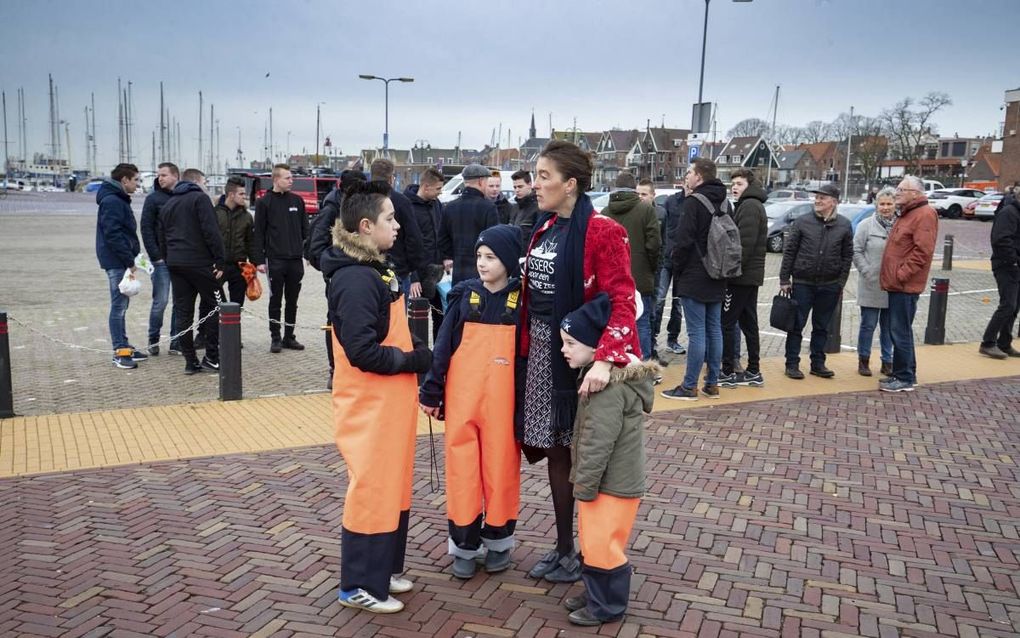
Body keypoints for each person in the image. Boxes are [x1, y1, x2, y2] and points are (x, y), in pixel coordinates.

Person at [517, 140, 639, 584]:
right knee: (554, 448)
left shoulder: (603, 230)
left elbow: (623, 299)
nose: (536, 184)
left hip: (579, 358)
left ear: (570, 184)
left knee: (583, 454)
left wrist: (606, 359)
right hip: (542, 354)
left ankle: (592, 553)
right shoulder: (545, 226)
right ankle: (564, 547)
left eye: (544, 176)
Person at [320, 179, 432, 614]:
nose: (398, 225)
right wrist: (413, 359)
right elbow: (362, 351)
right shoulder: (354, 279)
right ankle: (359, 584)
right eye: (390, 218)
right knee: (371, 489)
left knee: (393, 488)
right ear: (366, 227)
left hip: (390, 404)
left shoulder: (375, 270)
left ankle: (382, 570)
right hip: (369, 406)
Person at [420, 225, 522, 579]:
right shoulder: (464, 297)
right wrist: (431, 391)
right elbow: (443, 348)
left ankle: (498, 542)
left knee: (501, 472)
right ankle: (464, 545)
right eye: (479, 256)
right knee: (462, 474)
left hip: (504, 407)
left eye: (490, 257)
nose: (481, 263)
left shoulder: (523, 301)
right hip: (462, 403)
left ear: (509, 261)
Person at [559, 293, 655, 627]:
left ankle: (608, 605)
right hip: (607, 480)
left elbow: (599, 441)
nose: (564, 349)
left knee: (604, 544)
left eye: (571, 343)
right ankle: (595, 592)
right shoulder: (602, 378)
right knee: (594, 540)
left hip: (611, 483)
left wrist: (584, 484)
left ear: (596, 346)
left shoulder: (608, 388)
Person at [661, 158, 728, 401]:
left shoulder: (694, 202)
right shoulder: (724, 201)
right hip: (718, 273)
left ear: (699, 176)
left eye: (689, 172)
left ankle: (689, 386)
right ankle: (712, 383)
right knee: (714, 329)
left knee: (697, 332)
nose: (686, 176)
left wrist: (676, 266)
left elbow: (683, 241)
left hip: (695, 274)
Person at [778, 183, 853, 380]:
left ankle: (817, 364)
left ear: (834, 202)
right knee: (796, 325)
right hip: (803, 283)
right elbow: (789, 252)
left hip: (829, 284)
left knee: (822, 327)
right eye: (817, 197)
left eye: (823, 198)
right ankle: (792, 363)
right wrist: (784, 279)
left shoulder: (844, 225)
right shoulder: (802, 222)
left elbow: (847, 256)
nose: (818, 201)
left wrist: (841, 282)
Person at [157, 169, 225, 374]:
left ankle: (190, 360)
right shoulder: (200, 199)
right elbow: (211, 230)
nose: (206, 184)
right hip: (199, 263)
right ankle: (212, 357)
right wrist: (220, 260)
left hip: (176, 264)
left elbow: (161, 236)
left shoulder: (168, 204)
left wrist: (169, 258)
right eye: (205, 181)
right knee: (219, 306)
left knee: (183, 312)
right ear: (196, 181)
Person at [879, 176, 938, 391]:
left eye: (902, 189)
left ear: (915, 192)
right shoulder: (909, 213)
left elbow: (923, 251)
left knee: (899, 331)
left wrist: (902, 274)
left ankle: (904, 377)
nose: (897, 192)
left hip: (904, 285)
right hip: (898, 284)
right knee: (901, 330)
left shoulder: (924, 215)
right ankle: (905, 373)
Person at [307, 170, 366, 388]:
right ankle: (335, 369)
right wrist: (333, 268)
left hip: (360, 272)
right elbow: (316, 246)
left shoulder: (356, 207)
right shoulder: (332, 209)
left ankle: (353, 367)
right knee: (336, 321)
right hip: (339, 275)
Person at [603, 172, 660, 361]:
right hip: (640, 274)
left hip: (611, 277)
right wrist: (651, 268)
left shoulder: (605, 213)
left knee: (615, 322)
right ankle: (644, 366)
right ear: (634, 188)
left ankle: (618, 360)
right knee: (642, 322)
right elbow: (654, 244)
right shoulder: (646, 209)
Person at [95, 163, 147, 369]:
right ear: (124, 180)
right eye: (135, 180)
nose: (137, 184)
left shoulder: (116, 199)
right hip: (116, 261)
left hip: (120, 259)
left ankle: (124, 345)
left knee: (122, 304)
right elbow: (113, 234)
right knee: (118, 306)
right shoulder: (113, 201)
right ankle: (120, 351)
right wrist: (128, 260)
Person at [253, 163, 309, 353]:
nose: (291, 181)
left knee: (292, 300)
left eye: (292, 177)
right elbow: (258, 233)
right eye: (288, 178)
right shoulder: (264, 203)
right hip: (275, 259)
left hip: (295, 260)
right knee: (275, 300)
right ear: (276, 179)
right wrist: (259, 260)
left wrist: (307, 254)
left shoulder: (297, 201)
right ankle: (275, 337)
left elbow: (305, 231)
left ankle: (289, 336)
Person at [719, 169, 767, 387]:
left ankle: (728, 370)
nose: (734, 187)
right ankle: (754, 370)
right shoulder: (752, 204)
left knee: (727, 322)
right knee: (749, 322)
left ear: (750, 184)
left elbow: (743, 245)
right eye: (733, 184)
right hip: (749, 276)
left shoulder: (749, 206)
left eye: (739, 183)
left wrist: (730, 272)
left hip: (741, 277)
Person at [853, 186, 896, 376]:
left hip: (893, 285)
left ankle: (888, 361)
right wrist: (866, 270)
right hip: (871, 284)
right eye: (882, 204)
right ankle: (863, 360)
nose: (885, 207)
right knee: (868, 324)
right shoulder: (865, 225)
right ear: (876, 204)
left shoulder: (901, 226)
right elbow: (856, 250)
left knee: (888, 327)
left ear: (895, 205)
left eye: (889, 203)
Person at [139, 162, 180, 355]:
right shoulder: (153, 199)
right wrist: (156, 256)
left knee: (180, 302)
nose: (160, 178)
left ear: (175, 176)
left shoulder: (182, 197)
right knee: (161, 301)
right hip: (161, 260)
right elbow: (146, 228)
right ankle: (153, 339)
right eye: (159, 175)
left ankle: (176, 341)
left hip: (181, 258)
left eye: (164, 175)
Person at [370, 158, 425, 298]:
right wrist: (412, 267)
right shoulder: (401, 201)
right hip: (396, 269)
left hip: (365, 265)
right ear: (391, 178)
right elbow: (414, 237)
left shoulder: (358, 199)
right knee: (396, 315)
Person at [405, 167, 446, 341]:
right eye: (438, 189)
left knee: (441, 316)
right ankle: (416, 356)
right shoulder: (407, 206)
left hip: (437, 271)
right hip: (417, 272)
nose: (440, 192)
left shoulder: (436, 204)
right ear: (426, 187)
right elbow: (405, 243)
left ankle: (437, 356)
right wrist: (413, 278)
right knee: (417, 319)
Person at [440, 164, 500, 283]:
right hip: (482, 272)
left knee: (460, 300)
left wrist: (448, 256)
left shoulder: (450, 207)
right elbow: (494, 241)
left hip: (457, 271)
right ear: (481, 181)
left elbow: (442, 238)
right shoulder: (488, 208)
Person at [981, 187, 1020, 359]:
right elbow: (1000, 239)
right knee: (1007, 305)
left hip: (1014, 264)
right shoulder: (1009, 212)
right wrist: (1013, 260)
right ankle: (988, 342)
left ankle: (1004, 342)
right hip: (1007, 265)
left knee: (1014, 306)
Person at [215, 176, 254, 307]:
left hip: (239, 267)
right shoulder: (214, 213)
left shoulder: (247, 217)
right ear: (231, 195)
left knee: (237, 307)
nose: (245, 196)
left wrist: (253, 266)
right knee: (214, 304)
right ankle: (212, 328)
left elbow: (250, 242)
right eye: (241, 193)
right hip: (219, 267)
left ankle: (234, 328)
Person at [657, 186, 686, 354]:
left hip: (683, 263)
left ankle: (672, 339)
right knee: (659, 299)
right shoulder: (671, 201)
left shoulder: (695, 203)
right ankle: (653, 338)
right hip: (667, 259)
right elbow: (663, 229)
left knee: (678, 303)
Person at [511, 170, 540, 247]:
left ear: (530, 184)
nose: (517, 190)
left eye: (520, 186)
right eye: (515, 187)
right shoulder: (514, 207)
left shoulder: (538, 208)